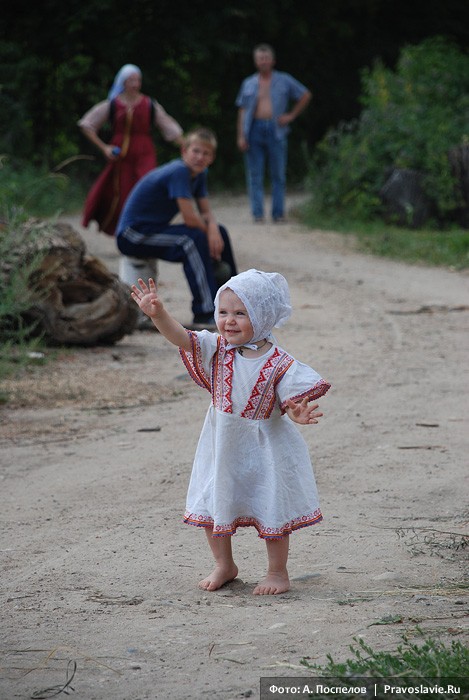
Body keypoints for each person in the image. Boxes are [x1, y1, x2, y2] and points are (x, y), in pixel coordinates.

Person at [130, 269, 331, 595]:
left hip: (264, 448)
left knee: (270, 504)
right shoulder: (217, 348)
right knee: (214, 500)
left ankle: (277, 572)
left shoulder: (280, 363)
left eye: (241, 313)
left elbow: (292, 402)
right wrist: (158, 314)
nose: (229, 321)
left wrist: (297, 413)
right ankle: (224, 564)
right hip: (222, 444)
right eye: (223, 312)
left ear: (262, 316)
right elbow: (182, 338)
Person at [117, 128, 237, 330]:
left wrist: (214, 229)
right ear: (184, 151)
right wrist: (209, 232)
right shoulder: (179, 171)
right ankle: (206, 312)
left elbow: (205, 212)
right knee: (190, 240)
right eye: (196, 151)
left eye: (206, 153)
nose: (200, 157)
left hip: (153, 229)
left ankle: (235, 303)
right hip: (132, 234)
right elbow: (190, 218)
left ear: (212, 158)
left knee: (220, 233)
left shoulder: (199, 174)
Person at [78, 64, 184, 237]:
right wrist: (104, 147)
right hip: (121, 157)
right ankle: (124, 231)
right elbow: (87, 125)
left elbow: (169, 127)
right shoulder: (113, 104)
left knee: (149, 188)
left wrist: (186, 146)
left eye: (138, 80)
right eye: (131, 80)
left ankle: (149, 229)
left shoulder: (149, 104)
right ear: (123, 82)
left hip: (144, 154)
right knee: (120, 193)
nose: (135, 84)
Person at [236, 44, 312, 223]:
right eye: (260, 58)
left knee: (278, 174)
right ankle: (258, 214)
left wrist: (291, 115)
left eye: (266, 58)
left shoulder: (284, 80)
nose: (263, 61)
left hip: (276, 129)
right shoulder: (248, 83)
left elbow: (305, 95)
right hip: (253, 128)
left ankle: (278, 213)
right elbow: (242, 110)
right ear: (255, 61)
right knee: (255, 174)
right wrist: (240, 135)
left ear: (273, 60)